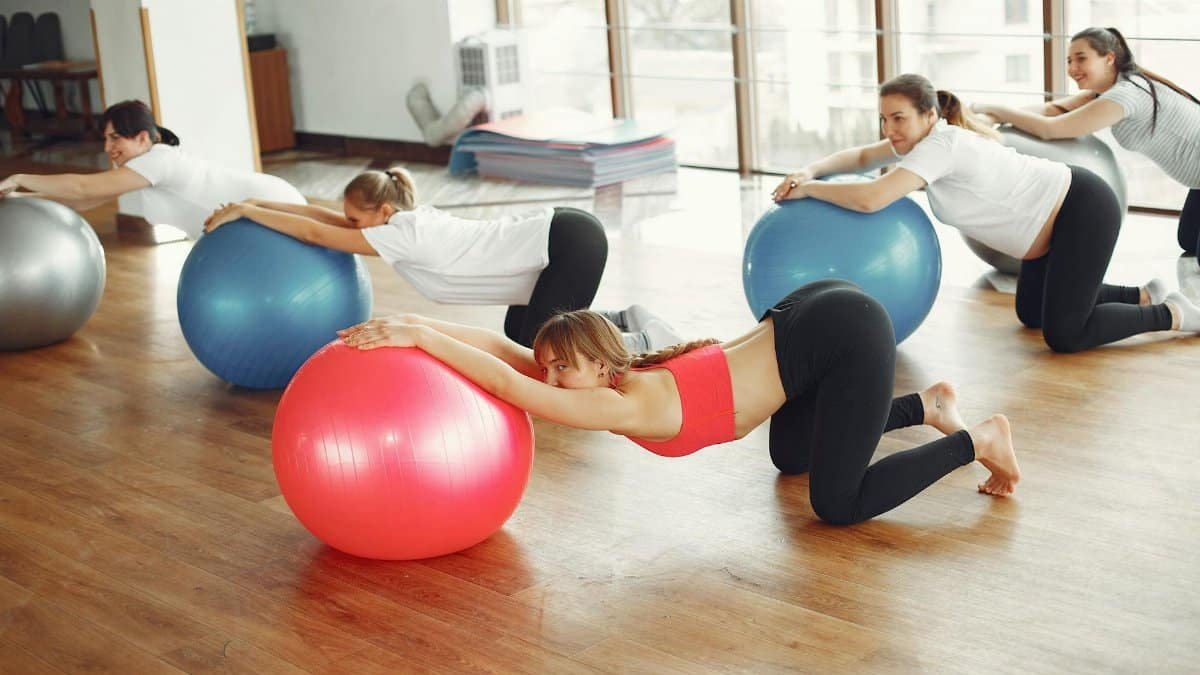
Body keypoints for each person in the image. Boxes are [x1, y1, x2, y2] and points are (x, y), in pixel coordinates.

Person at [336, 280, 1021, 526]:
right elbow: (504, 350)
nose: (548, 378)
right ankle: (926, 403)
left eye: (560, 370)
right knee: (790, 455)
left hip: (839, 332)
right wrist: (413, 326)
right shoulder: (616, 370)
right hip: (809, 318)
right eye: (550, 366)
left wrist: (418, 332)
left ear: (600, 365)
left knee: (836, 503)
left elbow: (509, 385)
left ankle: (977, 439)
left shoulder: (622, 402)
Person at [770, 73, 1200, 352]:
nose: (889, 130)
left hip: (1079, 207)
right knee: (1031, 313)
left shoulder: (941, 146)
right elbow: (864, 156)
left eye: (898, 118)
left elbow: (872, 197)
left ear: (929, 115)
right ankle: (1143, 293)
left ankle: (1175, 313)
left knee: (1066, 333)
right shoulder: (922, 140)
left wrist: (809, 190)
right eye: (884, 119)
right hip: (1051, 226)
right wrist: (812, 168)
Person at [204, 168, 678, 349]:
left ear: (382, 213)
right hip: (556, 242)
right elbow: (318, 215)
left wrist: (247, 209)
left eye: (354, 219)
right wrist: (255, 205)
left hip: (567, 241)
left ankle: (644, 338)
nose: (346, 226)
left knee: (545, 348)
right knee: (518, 337)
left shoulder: (400, 235)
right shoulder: (399, 223)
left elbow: (312, 231)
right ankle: (619, 319)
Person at [972, 27, 1200, 268]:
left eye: (1082, 58)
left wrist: (993, 108)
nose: (1072, 68)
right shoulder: (1111, 90)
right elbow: (1052, 110)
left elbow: (1050, 129)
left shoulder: (1126, 95)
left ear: (1109, 58)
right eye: (1069, 60)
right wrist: (991, 118)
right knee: (1188, 240)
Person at [0, 100, 305, 240]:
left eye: (115, 138)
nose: (107, 148)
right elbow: (83, 201)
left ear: (142, 138)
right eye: (105, 139)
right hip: (261, 210)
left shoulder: (157, 161)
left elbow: (83, 188)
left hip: (272, 206)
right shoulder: (153, 163)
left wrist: (19, 177)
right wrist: (21, 199)